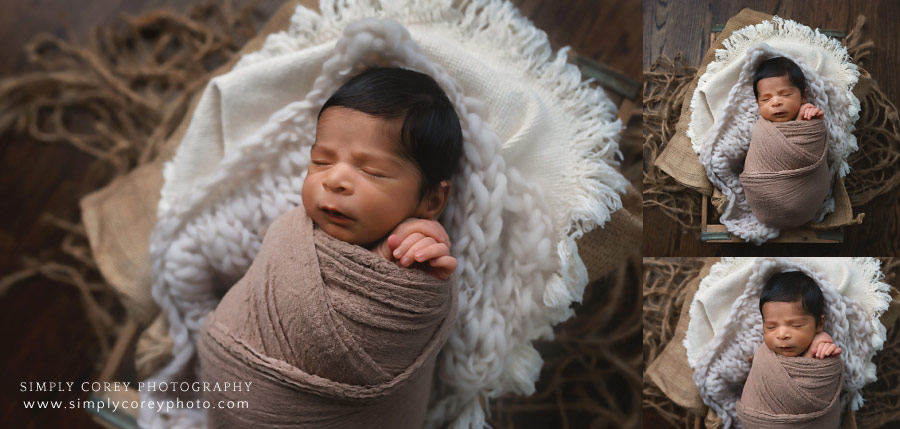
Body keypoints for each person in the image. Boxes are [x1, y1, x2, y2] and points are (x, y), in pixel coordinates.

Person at [302, 66, 464, 279]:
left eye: (372, 172)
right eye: (321, 161)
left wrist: (405, 270)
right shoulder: (294, 230)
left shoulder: (416, 253)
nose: (333, 180)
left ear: (432, 201)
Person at [757, 271, 841, 359]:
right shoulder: (763, 354)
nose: (782, 335)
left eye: (796, 325)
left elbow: (828, 370)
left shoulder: (821, 347)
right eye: (771, 327)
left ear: (819, 324)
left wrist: (824, 353)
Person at [753, 56, 823, 123]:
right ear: (758, 103)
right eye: (765, 99)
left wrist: (810, 121)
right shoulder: (760, 127)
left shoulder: (809, 115)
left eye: (786, 94)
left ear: (804, 97)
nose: (776, 102)